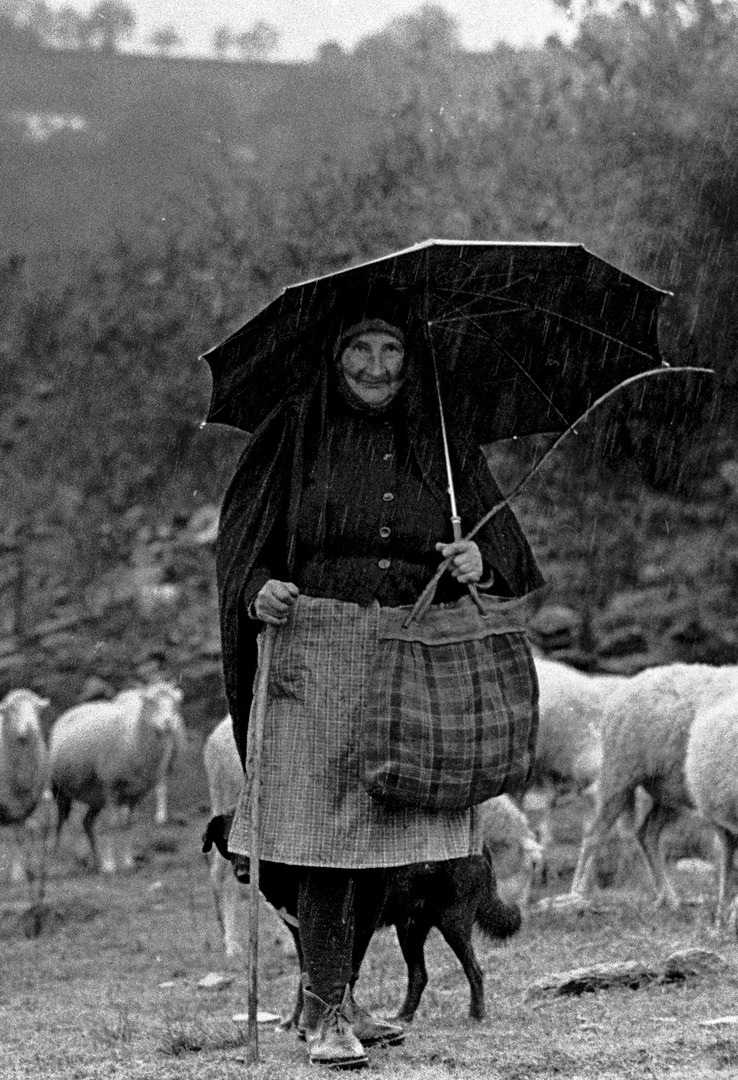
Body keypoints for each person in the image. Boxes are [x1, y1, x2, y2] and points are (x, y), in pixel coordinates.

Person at [215, 293, 545, 1068]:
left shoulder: (439, 439)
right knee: (325, 837)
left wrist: (477, 560)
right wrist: (258, 586)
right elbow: (241, 548)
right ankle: (327, 1010)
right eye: (359, 349)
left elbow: (505, 553)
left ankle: (335, 999)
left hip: (410, 653)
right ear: (335, 357)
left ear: (411, 359)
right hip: (317, 653)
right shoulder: (294, 434)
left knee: (388, 839)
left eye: (390, 350)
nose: (374, 367)